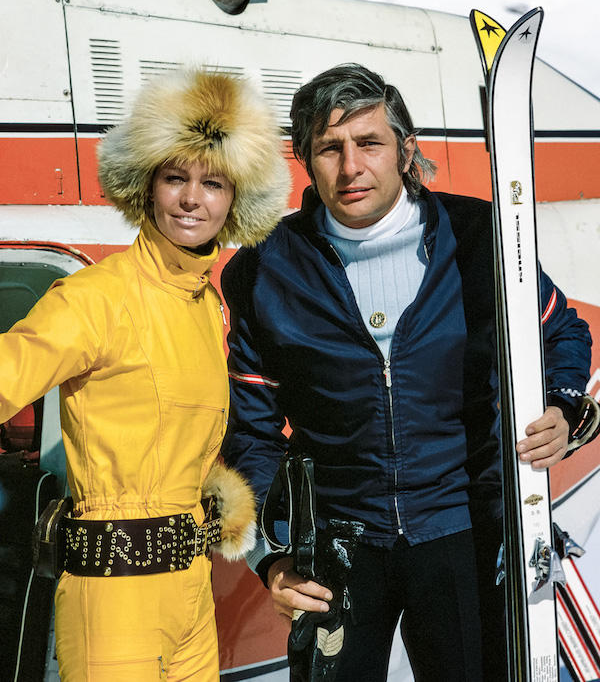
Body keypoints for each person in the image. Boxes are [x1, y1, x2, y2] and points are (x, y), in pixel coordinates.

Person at [221, 63, 599, 682]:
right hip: (337, 543)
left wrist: (563, 408)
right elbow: (252, 434)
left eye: (369, 143)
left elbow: (560, 330)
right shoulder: (265, 270)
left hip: (462, 527)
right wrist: (275, 557)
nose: (350, 168)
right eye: (328, 148)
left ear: (404, 149)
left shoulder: (481, 237)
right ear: (304, 160)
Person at [0, 67, 289, 681]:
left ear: (236, 198)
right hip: (114, 595)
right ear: (146, 185)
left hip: (191, 591)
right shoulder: (96, 298)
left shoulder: (207, 306)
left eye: (213, 183)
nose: (192, 200)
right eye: (175, 178)